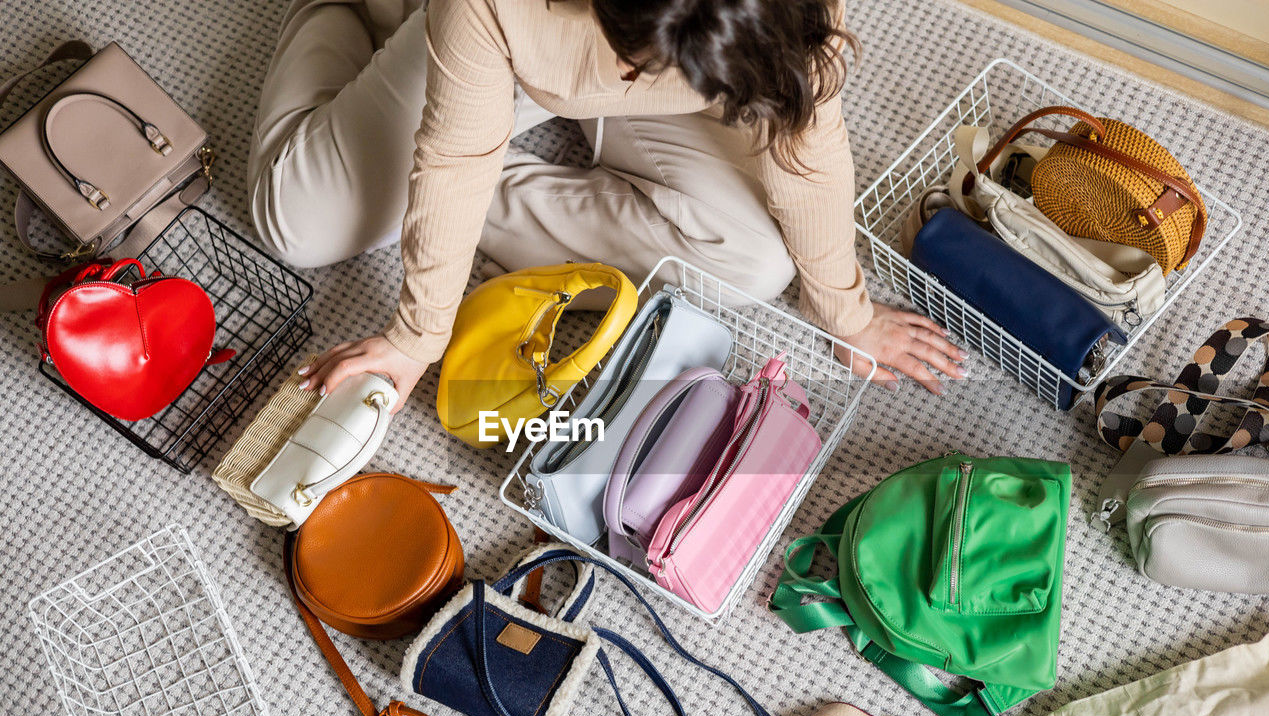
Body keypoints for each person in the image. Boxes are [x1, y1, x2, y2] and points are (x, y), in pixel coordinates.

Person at [247, 0, 967, 413]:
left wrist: (848, 311)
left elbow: (805, 146)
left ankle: (446, 203)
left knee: (750, 261)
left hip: (659, 51)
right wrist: (418, 333)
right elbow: (457, 151)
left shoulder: (782, 10)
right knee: (298, 221)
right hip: (495, 34)